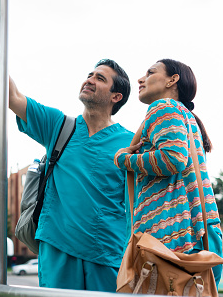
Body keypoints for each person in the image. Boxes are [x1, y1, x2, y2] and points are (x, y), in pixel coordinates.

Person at [9, 59, 134, 292]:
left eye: (100, 78)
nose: (90, 80)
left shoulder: (131, 143)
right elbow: (13, 97)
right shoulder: (58, 126)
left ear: (116, 96)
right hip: (58, 250)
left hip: (107, 255)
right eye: (90, 75)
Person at [114, 58, 223, 285]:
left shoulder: (163, 107)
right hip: (198, 232)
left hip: (172, 233)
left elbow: (172, 159)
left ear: (172, 80)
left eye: (150, 72)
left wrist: (123, 159)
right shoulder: (186, 116)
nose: (140, 79)